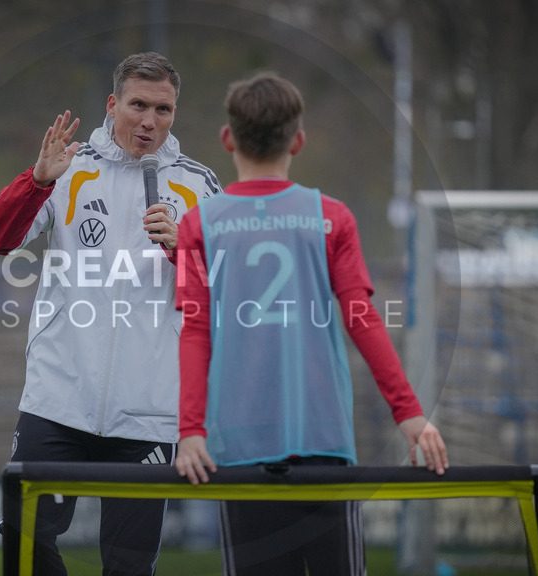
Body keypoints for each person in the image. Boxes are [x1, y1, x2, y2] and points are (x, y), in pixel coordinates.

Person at [173, 71, 448, 576]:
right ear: (299, 140)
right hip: (323, 440)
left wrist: (190, 430)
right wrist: (406, 412)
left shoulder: (198, 223)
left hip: (236, 446)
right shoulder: (332, 216)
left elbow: (194, 330)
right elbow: (361, 318)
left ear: (227, 138)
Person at [0, 52, 221, 576]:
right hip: (59, 398)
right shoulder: (69, 168)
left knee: (129, 566)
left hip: (148, 412)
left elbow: (223, 291)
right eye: (138, 105)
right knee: (21, 538)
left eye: (164, 109)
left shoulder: (199, 186)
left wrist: (186, 250)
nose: (150, 121)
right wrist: (37, 181)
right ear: (113, 105)